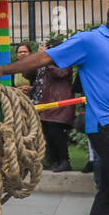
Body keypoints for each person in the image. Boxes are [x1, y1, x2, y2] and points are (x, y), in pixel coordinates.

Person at [0, 15, 109, 215]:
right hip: (106, 124)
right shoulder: (90, 40)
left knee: (108, 190)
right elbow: (44, 58)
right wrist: (3, 70)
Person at [27, 40, 75, 172]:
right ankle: (54, 161)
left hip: (58, 103)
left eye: (51, 48)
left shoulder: (65, 60)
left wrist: (47, 60)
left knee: (56, 132)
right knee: (46, 133)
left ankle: (64, 161)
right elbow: (29, 75)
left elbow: (62, 73)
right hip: (44, 103)